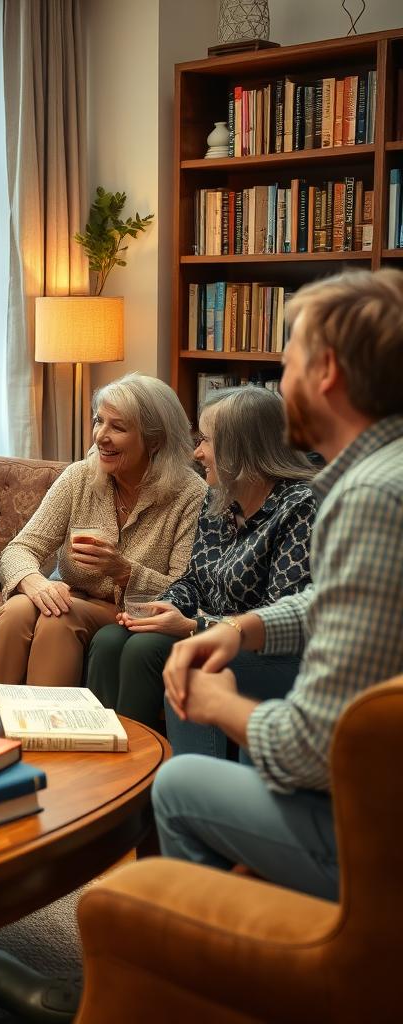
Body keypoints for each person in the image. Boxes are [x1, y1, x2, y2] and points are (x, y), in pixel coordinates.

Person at [154, 268, 403, 901]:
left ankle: (229, 982)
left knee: (179, 786)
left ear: (326, 374)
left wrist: (215, 704)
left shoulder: (370, 496)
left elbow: (308, 751)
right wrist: (245, 628)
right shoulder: (384, 474)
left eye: (285, 365)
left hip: (370, 828)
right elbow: (344, 601)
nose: (279, 383)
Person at [84, 386, 315, 751]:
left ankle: (146, 776)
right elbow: (194, 577)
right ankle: (100, 757)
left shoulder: (300, 507)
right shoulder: (220, 497)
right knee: (110, 640)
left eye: (206, 440)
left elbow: (279, 618)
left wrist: (194, 626)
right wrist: (168, 603)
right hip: (209, 632)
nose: (197, 452)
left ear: (241, 447)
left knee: (148, 651)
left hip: (271, 655)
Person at [0, 373, 206, 687]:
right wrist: (34, 582)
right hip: (73, 599)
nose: (100, 436)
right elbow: (20, 549)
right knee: (19, 608)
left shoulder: (189, 496)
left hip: (127, 613)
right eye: (98, 421)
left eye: (118, 427)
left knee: (59, 618)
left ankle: (47, 730)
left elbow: (184, 589)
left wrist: (124, 571)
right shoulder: (80, 477)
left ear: (154, 441)